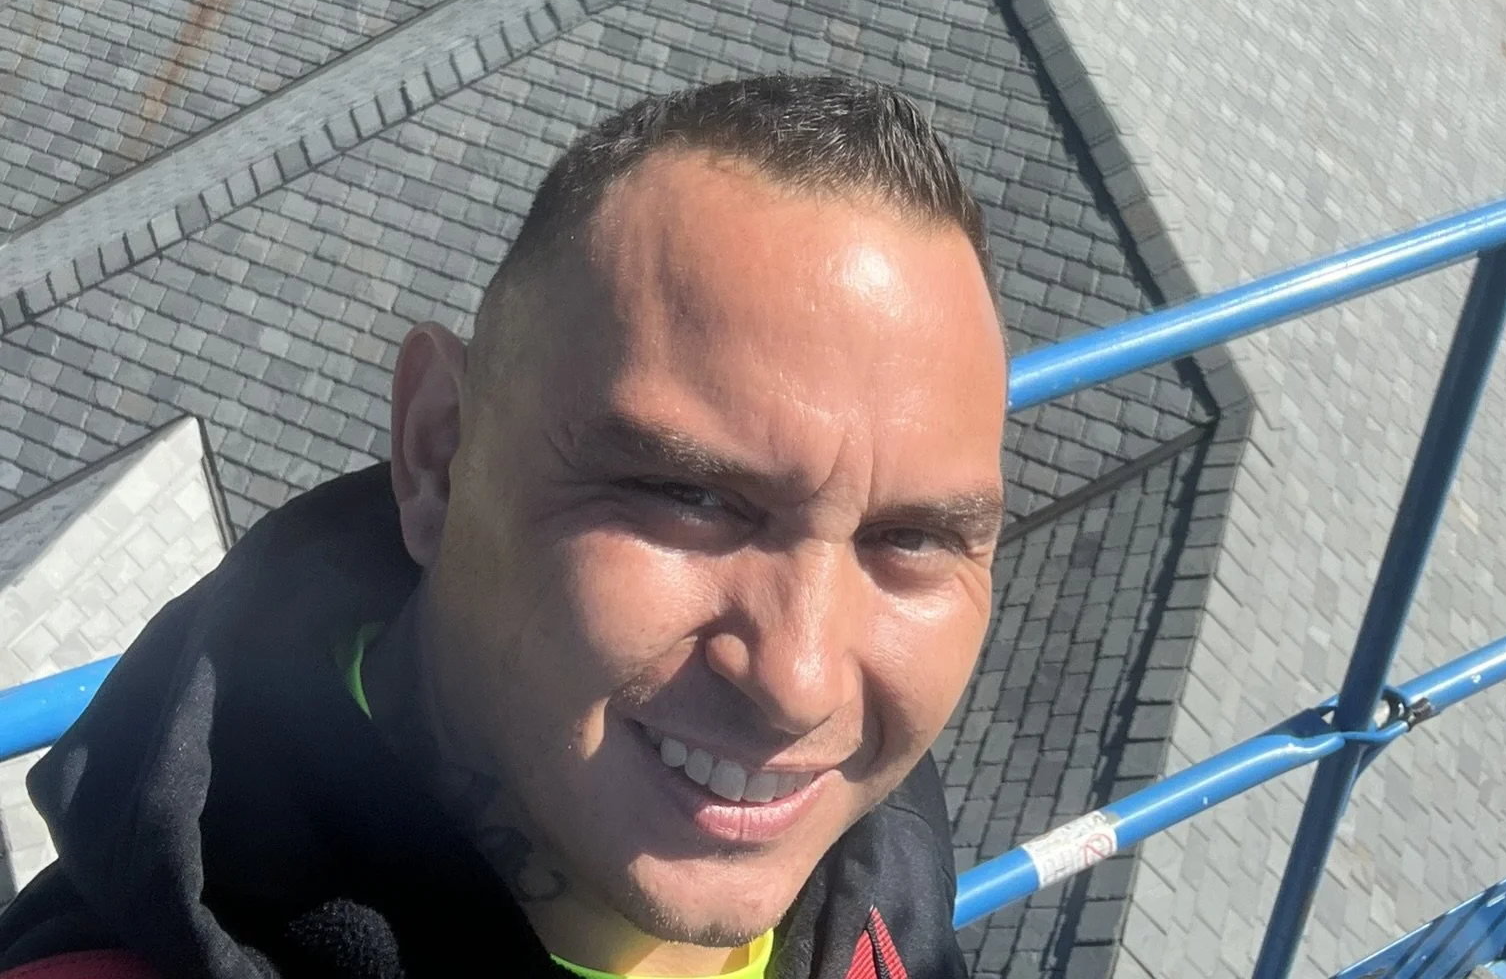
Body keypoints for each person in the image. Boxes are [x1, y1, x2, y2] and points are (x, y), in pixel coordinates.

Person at [0, 76, 1009, 979]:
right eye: (690, 496)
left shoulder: (879, 855)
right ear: (437, 452)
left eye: (910, 539)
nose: (800, 684)